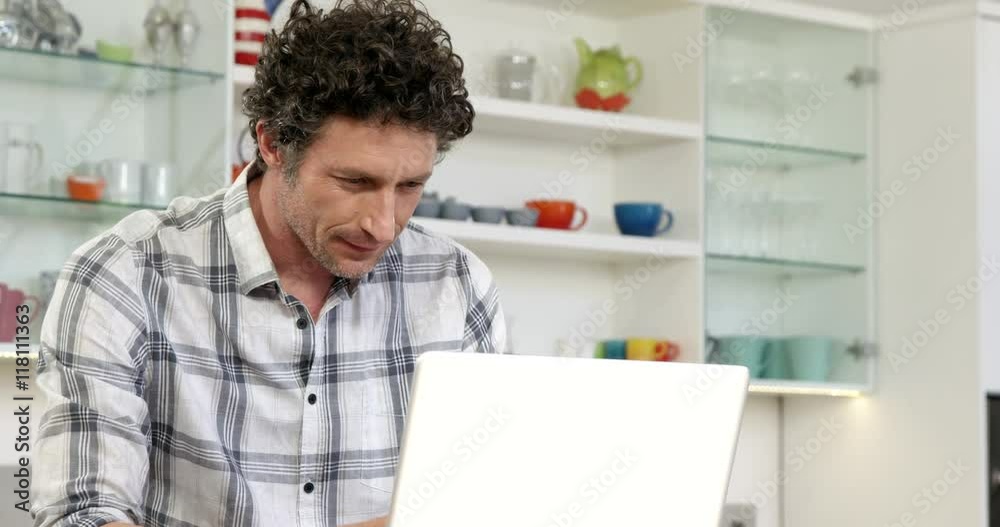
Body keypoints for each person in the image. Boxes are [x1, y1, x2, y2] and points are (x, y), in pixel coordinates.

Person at [31, 1, 505, 525]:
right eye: (354, 181)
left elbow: (485, 501)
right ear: (273, 143)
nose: (383, 225)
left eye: (411, 186)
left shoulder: (458, 286)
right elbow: (82, 514)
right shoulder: (124, 274)